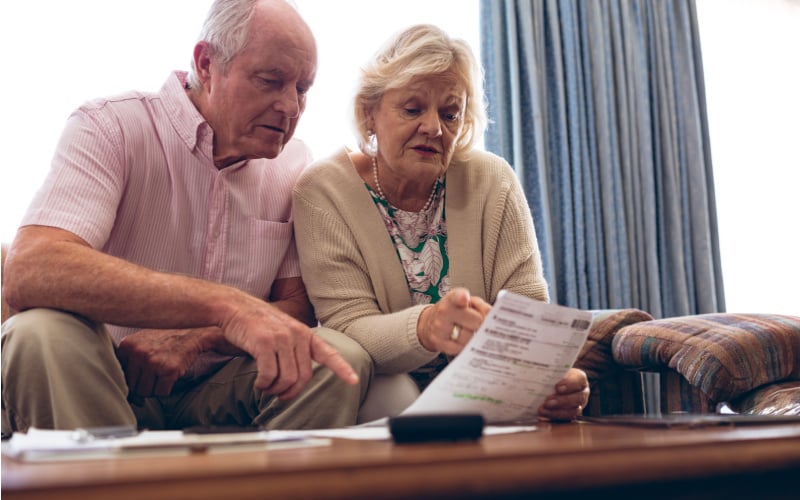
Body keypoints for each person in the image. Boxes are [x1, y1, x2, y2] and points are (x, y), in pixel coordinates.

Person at [1, 0, 372, 434]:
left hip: (218, 385)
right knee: (39, 334)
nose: (290, 106)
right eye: (270, 81)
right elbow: (31, 268)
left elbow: (295, 306)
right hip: (106, 377)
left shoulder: (295, 164)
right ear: (207, 63)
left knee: (334, 357)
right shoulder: (111, 127)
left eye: (303, 89)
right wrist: (226, 306)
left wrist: (200, 336)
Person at [292, 24, 589, 422]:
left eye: (450, 114)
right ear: (370, 113)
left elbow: (527, 310)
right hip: (382, 395)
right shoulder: (323, 190)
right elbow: (347, 327)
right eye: (413, 109)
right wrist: (426, 326)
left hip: (486, 392)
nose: (434, 127)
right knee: (391, 393)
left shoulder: (493, 180)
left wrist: (554, 380)